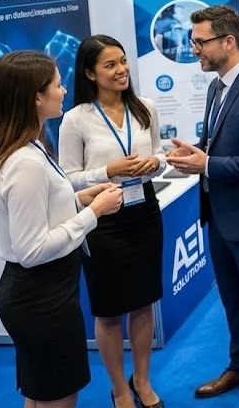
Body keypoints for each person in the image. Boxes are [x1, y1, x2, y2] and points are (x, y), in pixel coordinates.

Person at [0, 51, 123, 408]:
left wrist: (78, 200)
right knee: (57, 397)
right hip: (41, 298)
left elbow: (38, 213)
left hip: (40, 293)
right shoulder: (24, 161)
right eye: (57, 85)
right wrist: (94, 213)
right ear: (36, 97)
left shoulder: (26, 148)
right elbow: (32, 250)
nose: (64, 91)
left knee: (40, 394)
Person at [166, 5, 239, 408]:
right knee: (233, 301)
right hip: (218, 217)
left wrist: (208, 164)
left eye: (200, 42)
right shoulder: (217, 86)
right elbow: (218, 146)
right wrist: (195, 155)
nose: (194, 50)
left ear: (228, 41)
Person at [59, 35, 168, 408]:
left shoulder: (145, 107)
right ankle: (120, 388)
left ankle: (142, 380)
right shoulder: (76, 119)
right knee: (108, 309)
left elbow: (160, 154)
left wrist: (155, 162)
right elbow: (68, 180)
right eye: (110, 65)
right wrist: (107, 171)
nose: (122, 69)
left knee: (144, 301)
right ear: (90, 73)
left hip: (145, 211)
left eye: (122, 61)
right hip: (102, 219)